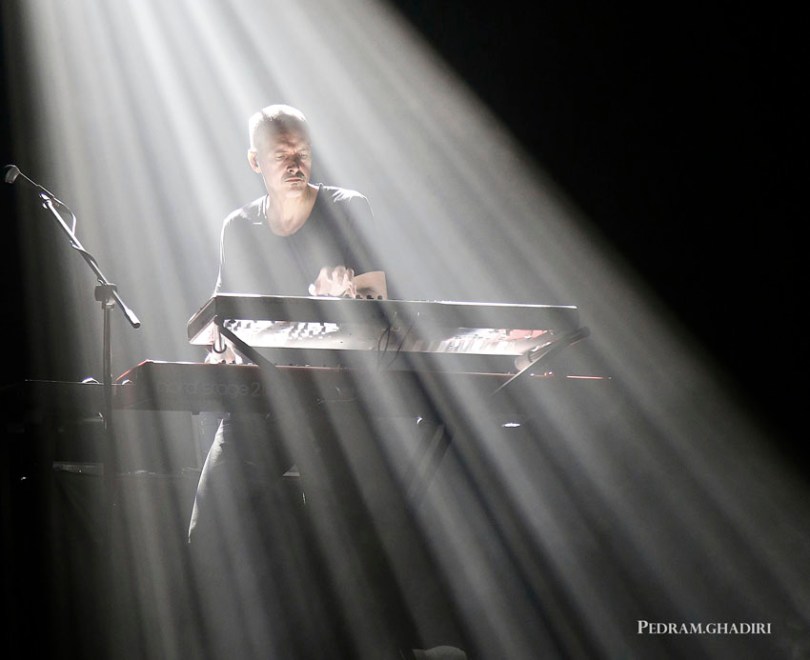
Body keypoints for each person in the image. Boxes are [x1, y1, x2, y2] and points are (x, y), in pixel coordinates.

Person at [187, 104, 467, 660]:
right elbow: (225, 317)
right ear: (254, 162)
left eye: (302, 152)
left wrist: (346, 298)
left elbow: (382, 311)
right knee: (212, 523)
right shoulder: (239, 227)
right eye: (280, 155)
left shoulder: (346, 208)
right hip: (263, 400)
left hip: (337, 399)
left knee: (353, 536)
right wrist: (219, 345)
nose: (295, 163)